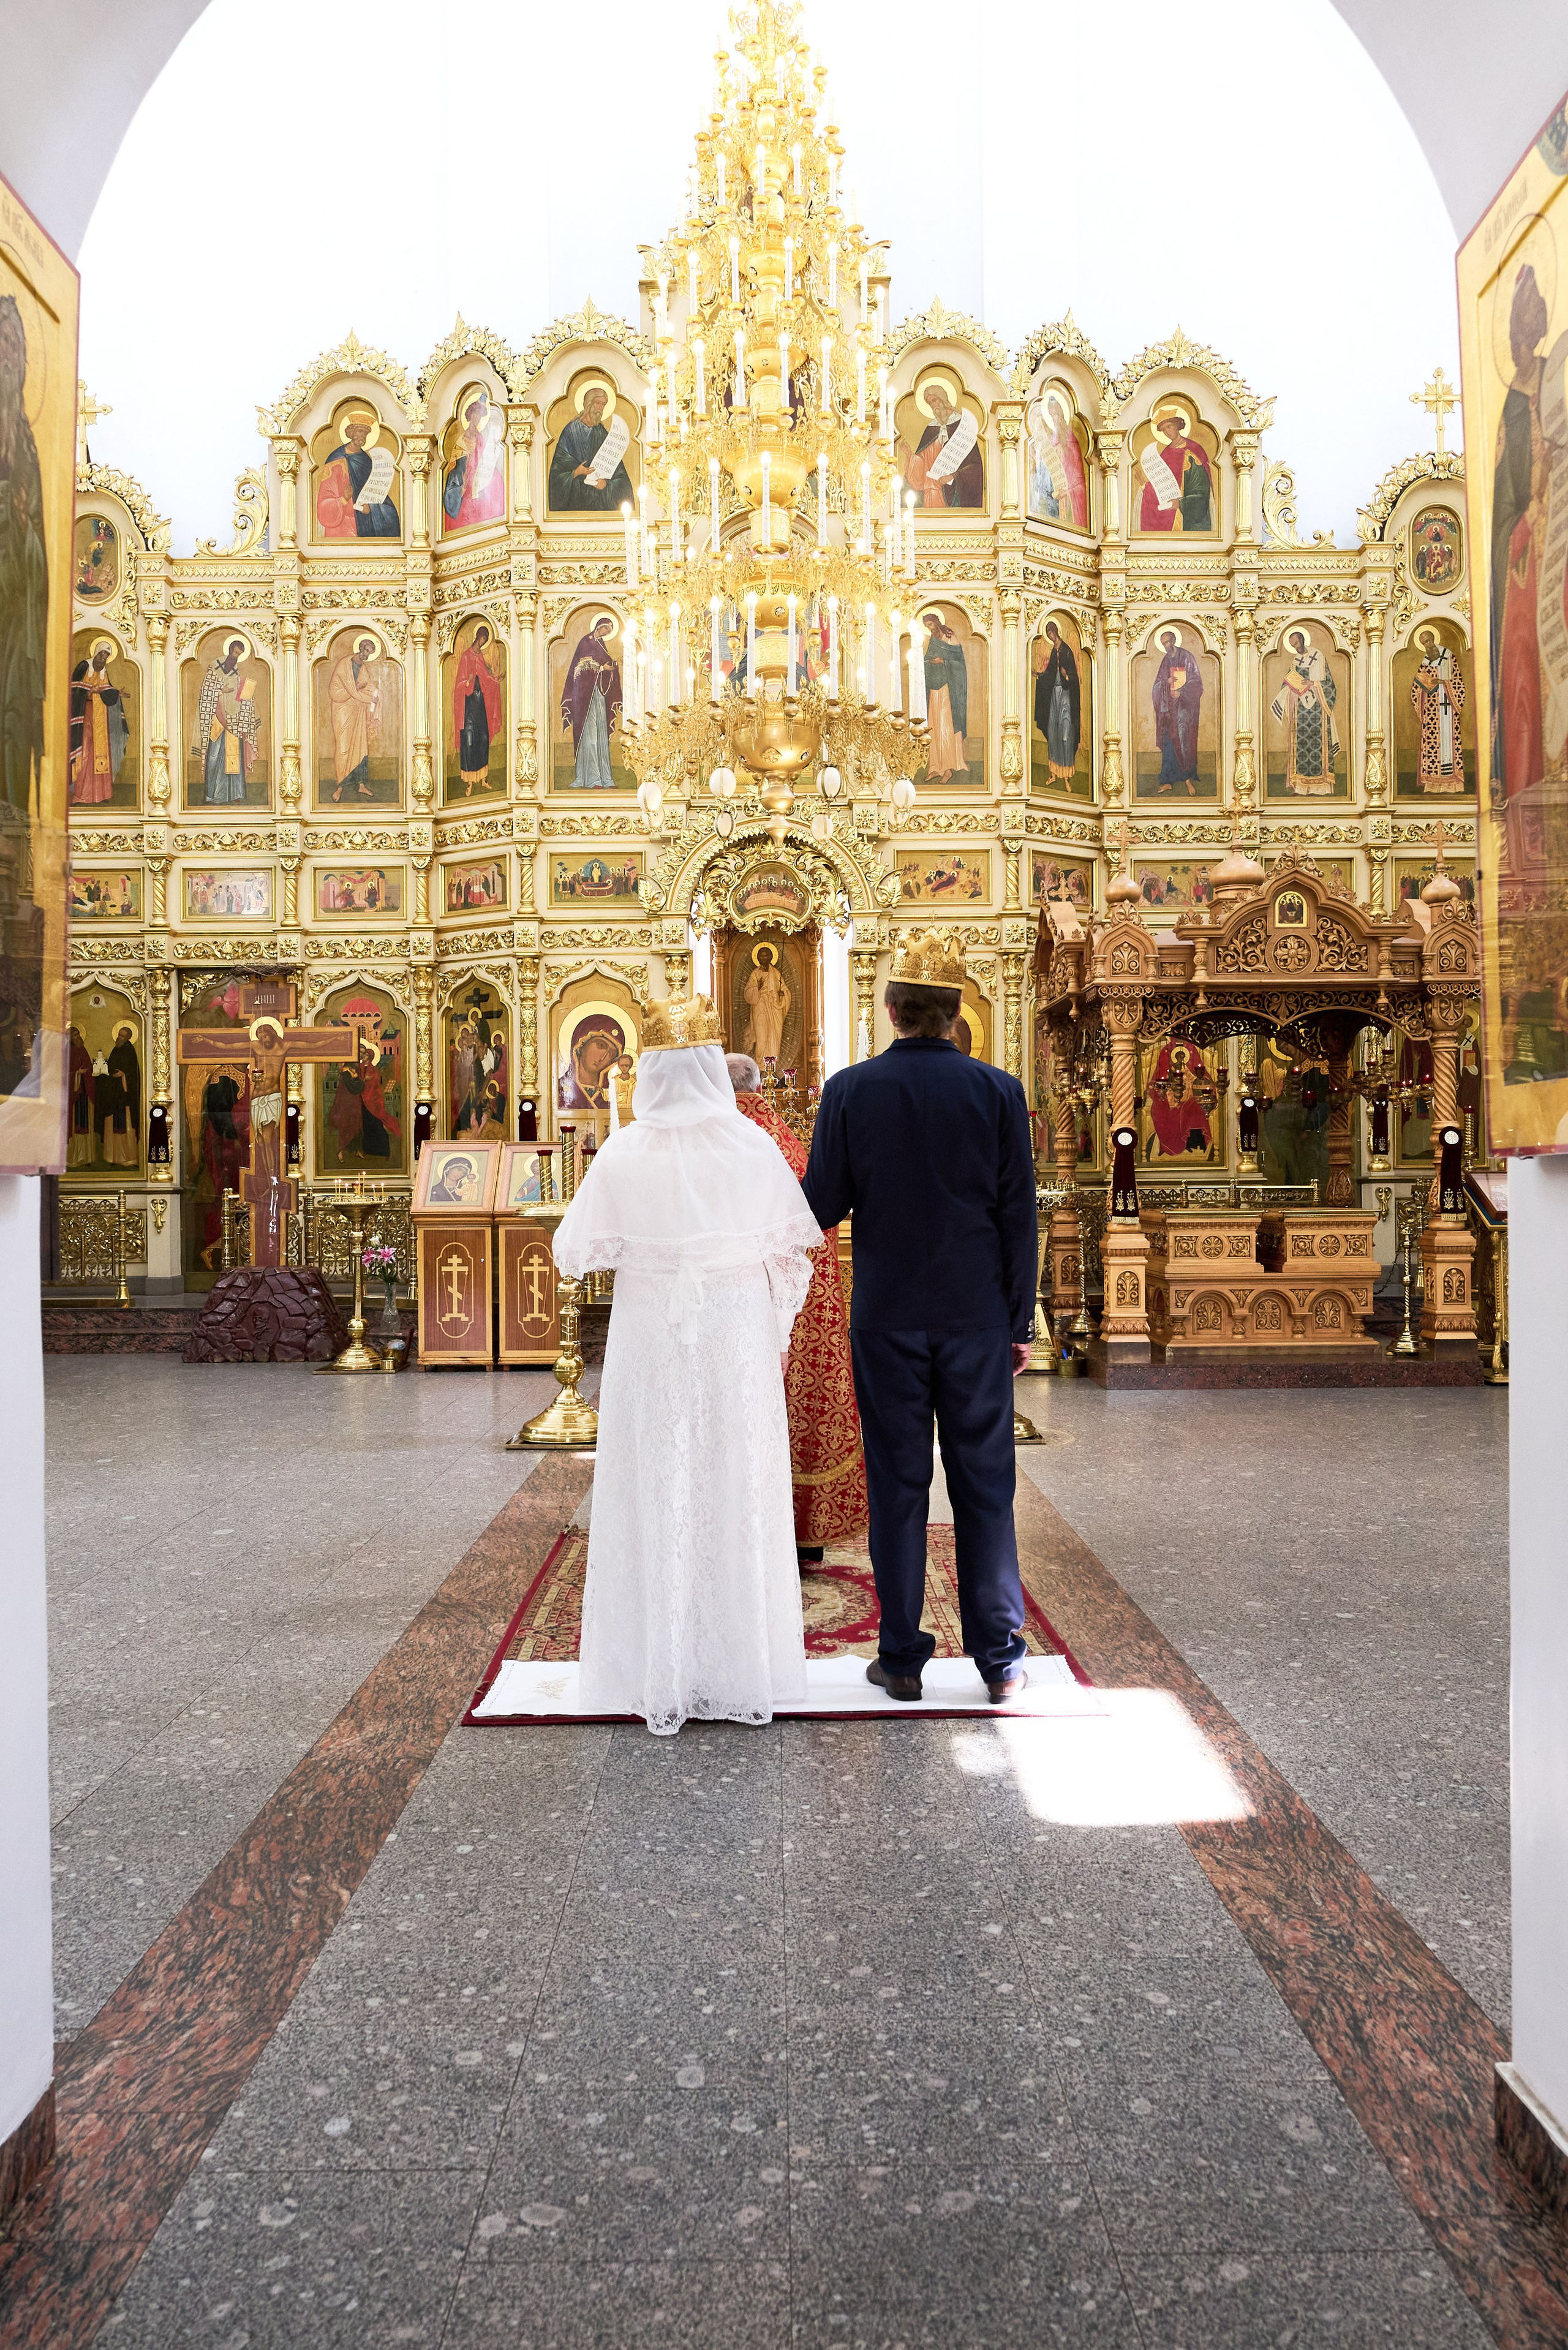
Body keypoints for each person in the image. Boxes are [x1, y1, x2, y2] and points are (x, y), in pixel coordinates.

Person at [552, 995, 821, 1733]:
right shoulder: (750, 1148)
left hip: (651, 1334)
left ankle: (653, 1663)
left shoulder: (625, 1150)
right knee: (735, 1474)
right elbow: (794, 1252)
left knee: (657, 1471)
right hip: (734, 1331)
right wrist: (772, 1324)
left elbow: (573, 1252)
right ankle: (739, 1664)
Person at [802, 930, 1038, 1704]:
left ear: (893, 1010)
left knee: (897, 1481)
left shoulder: (849, 1091)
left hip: (887, 1315)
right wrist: (1019, 1325)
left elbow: (822, 1206)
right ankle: (999, 1659)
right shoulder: (1000, 1092)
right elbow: (1017, 1219)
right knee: (984, 1482)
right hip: (975, 1318)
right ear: (954, 1012)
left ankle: (900, 1656)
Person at [726, 1052, 869, 1562]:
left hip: (746, 1301)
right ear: (760, 1086)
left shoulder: (727, 1140)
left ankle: (746, 1538)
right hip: (807, 1304)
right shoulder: (787, 1139)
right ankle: (805, 1536)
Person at [560, 617, 623, 788]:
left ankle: (605, 778)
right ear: (598, 627)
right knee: (590, 735)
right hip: (584, 699)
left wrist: (613, 666)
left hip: (598, 696)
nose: (605, 633)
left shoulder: (601, 645)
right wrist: (603, 668)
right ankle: (590, 778)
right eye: (604, 630)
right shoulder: (586, 642)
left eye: (609, 632)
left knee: (600, 735)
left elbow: (605, 665)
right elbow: (579, 669)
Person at [195, 640, 258, 805]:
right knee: (215, 756)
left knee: (234, 755)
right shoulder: (214, 666)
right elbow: (205, 691)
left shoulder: (235, 671)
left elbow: (238, 694)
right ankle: (212, 795)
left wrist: (246, 692)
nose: (236, 657)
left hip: (234, 720)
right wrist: (220, 690)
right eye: (235, 653)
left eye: (239, 655)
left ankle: (235, 793)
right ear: (230, 651)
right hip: (216, 719)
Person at [327, 635, 380, 802]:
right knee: (344, 746)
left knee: (360, 746)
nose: (366, 655)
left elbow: (366, 685)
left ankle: (361, 784)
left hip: (358, 710)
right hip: (343, 708)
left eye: (370, 653)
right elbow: (337, 689)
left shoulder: (363, 668)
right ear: (360, 648)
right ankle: (340, 786)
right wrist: (357, 691)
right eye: (365, 651)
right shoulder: (345, 663)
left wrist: (372, 693)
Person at [1150, 627, 1203, 794]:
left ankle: (1188, 779)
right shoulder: (1165, 661)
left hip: (1184, 708)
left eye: (1168, 642)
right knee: (1168, 742)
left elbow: (1196, 681)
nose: (1166, 646)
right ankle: (1168, 781)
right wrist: (1166, 682)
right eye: (1163, 643)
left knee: (1183, 740)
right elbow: (1157, 685)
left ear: (1174, 640)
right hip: (1168, 711)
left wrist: (1182, 692)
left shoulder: (1186, 657)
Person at [452, 625, 502, 795]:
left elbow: (486, 680)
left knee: (483, 738)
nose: (483, 643)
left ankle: (483, 779)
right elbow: (459, 685)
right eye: (482, 639)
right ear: (477, 638)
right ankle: (469, 783)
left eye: (486, 641)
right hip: (468, 709)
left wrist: (495, 680)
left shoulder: (480, 657)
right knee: (469, 740)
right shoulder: (466, 656)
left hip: (480, 707)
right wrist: (467, 682)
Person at [1032, 620, 1081, 785]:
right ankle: (1054, 773)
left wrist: (1067, 677)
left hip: (1066, 696)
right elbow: (1050, 673)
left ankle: (1066, 775)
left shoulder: (1066, 650)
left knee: (1066, 734)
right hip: (1054, 696)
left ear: (1056, 632)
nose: (1051, 637)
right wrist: (1039, 675)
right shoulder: (1054, 651)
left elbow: (1074, 677)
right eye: (1048, 635)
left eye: (1052, 633)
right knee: (1053, 733)